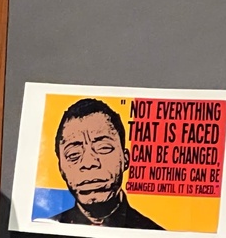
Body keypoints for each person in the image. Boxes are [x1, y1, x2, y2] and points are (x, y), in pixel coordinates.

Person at [50, 98, 163, 229]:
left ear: (125, 159)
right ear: (61, 168)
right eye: (73, 154)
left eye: (103, 147)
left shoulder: (154, 233)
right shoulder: (43, 229)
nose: (89, 163)